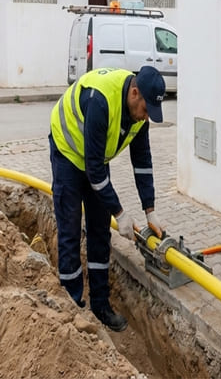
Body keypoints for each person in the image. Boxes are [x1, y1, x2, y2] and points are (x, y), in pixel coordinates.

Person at [49, 65, 167, 332]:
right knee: (69, 228)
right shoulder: (101, 100)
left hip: (94, 162)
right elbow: (94, 170)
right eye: (146, 110)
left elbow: (142, 163)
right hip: (68, 152)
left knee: (100, 232)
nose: (145, 118)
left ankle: (100, 306)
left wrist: (150, 210)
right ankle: (73, 306)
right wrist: (120, 213)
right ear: (135, 93)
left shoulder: (139, 117)